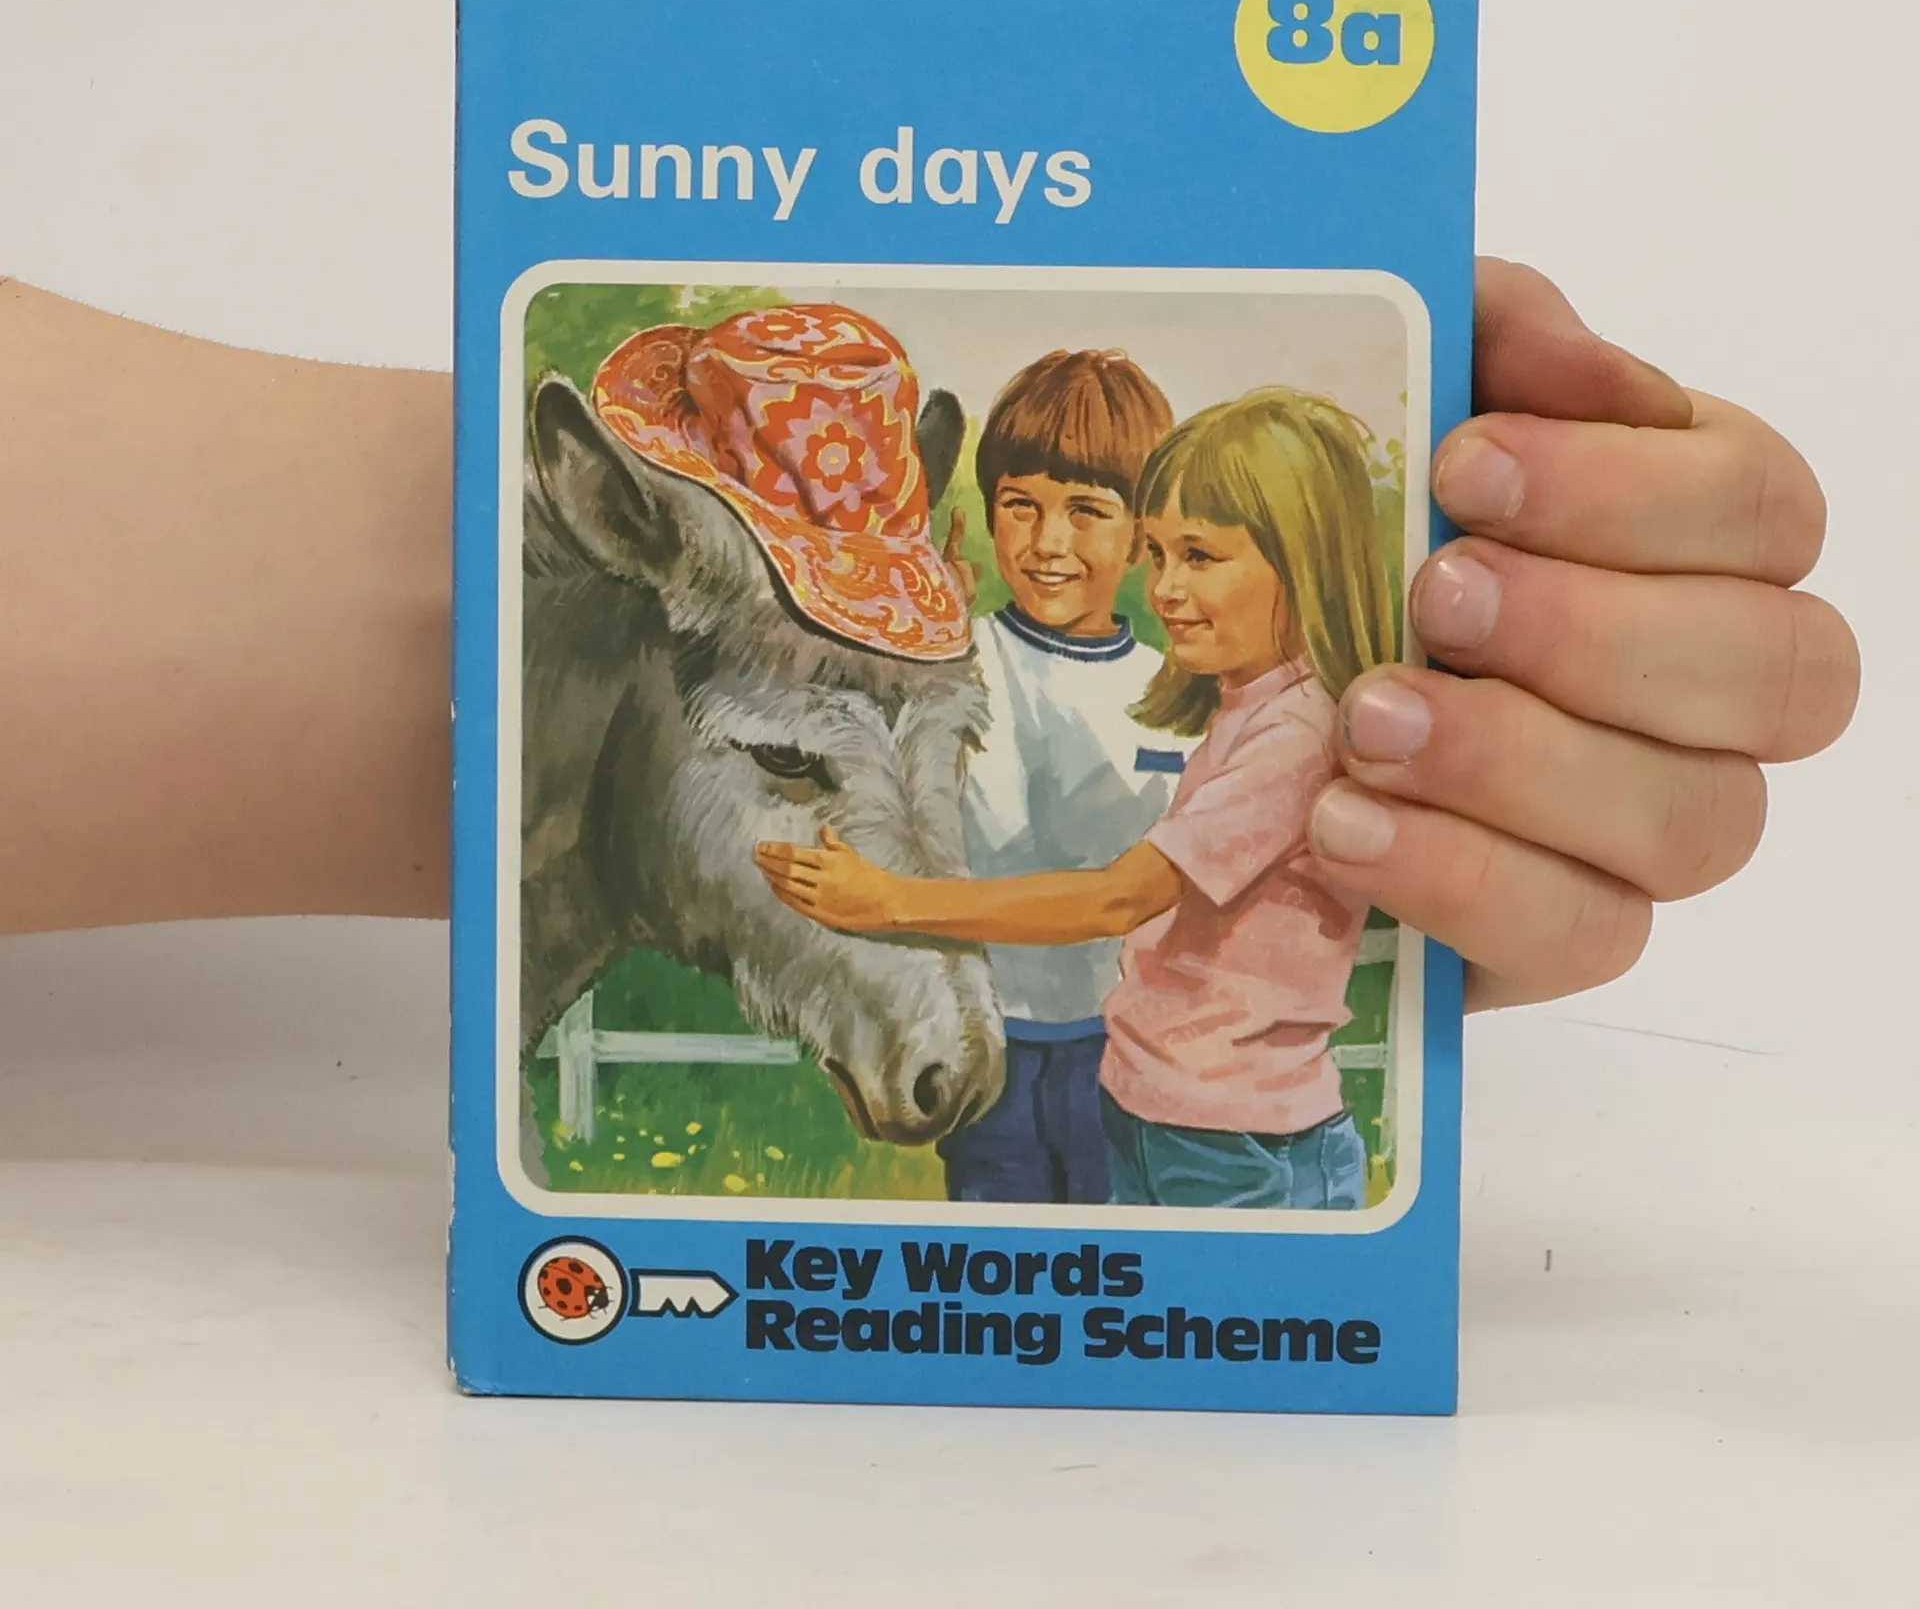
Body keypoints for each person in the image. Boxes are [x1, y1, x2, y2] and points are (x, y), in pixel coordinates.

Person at [0, 265, 1862, 1033]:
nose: (1062, 552)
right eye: (1024, 509)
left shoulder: (1198, 701)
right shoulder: (1032, 671)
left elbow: (1108, 872)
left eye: (1144, 532)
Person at [758, 386, 1395, 1207]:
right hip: (1143, 1095)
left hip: (1230, 1133)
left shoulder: (1291, 735)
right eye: (1160, 555)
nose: (1165, 589)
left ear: (1301, 560)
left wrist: (888, 903)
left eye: (1198, 557)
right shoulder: (1238, 707)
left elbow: (1118, 899)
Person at [935, 348, 1187, 1204]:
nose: (1048, 543)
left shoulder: (1178, 693)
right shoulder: (956, 664)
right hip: (987, 1038)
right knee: (998, 1243)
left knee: (1121, 1239)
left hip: (1131, 1046)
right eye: (1021, 506)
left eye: (1086, 511)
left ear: (1143, 533)